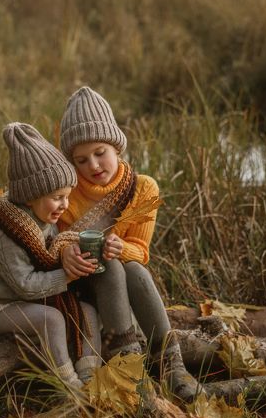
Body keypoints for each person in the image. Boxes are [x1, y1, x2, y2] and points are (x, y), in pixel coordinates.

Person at [59, 86, 203, 401]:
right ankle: (127, 365)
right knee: (110, 267)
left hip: (126, 282)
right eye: (81, 160)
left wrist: (120, 248)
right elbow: (52, 244)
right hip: (83, 285)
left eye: (100, 153)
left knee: (134, 269)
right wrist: (67, 251)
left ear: (116, 147)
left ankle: (170, 363)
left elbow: (141, 251)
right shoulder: (66, 195)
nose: (94, 166)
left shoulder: (142, 188)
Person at [0, 122, 101, 389]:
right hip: (3, 306)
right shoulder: (7, 239)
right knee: (52, 319)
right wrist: (66, 275)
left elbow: (53, 249)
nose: (64, 205)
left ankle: (90, 375)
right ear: (30, 197)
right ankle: (67, 385)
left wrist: (70, 253)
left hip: (35, 299)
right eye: (57, 197)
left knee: (86, 311)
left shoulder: (43, 221)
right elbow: (27, 286)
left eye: (66, 196)